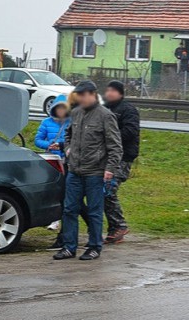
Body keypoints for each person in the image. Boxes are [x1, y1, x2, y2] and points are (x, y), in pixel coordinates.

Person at [53, 80, 122, 261]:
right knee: (69, 209)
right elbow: (68, 134)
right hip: (75, 170)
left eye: (83, 95)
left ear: (92, 94)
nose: (81, 99)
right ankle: (69, 247)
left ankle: (94, 247)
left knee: (94, 211)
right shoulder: (75, 113)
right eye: (78, 96)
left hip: (95, 172)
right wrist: (68, 149)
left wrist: (110, 169)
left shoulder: (105, 116)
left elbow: (115, 146)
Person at [34, 94, 90, 249]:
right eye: (58, 109)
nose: (60, 112)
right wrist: (48, 144)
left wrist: (62, 146)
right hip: (53, 164)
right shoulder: (46, 123)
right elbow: (37, 139)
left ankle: (67, 237)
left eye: (63, 109)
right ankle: (84, 231)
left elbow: (77, 141)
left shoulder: (73, 123)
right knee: (70, 201)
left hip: (70, 165)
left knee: (70, 201)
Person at [102, 80, 140, 244]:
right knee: (103, 192)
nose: (109, 93)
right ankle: (114, 228)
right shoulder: (105, 108)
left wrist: (111, 139)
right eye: (107, 90)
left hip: (122, 157)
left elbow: (131, 131)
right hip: (107, 157)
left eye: (113, 90)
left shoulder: (128, 109)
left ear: (120, 93)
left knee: (109, 191)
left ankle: (119, 225)